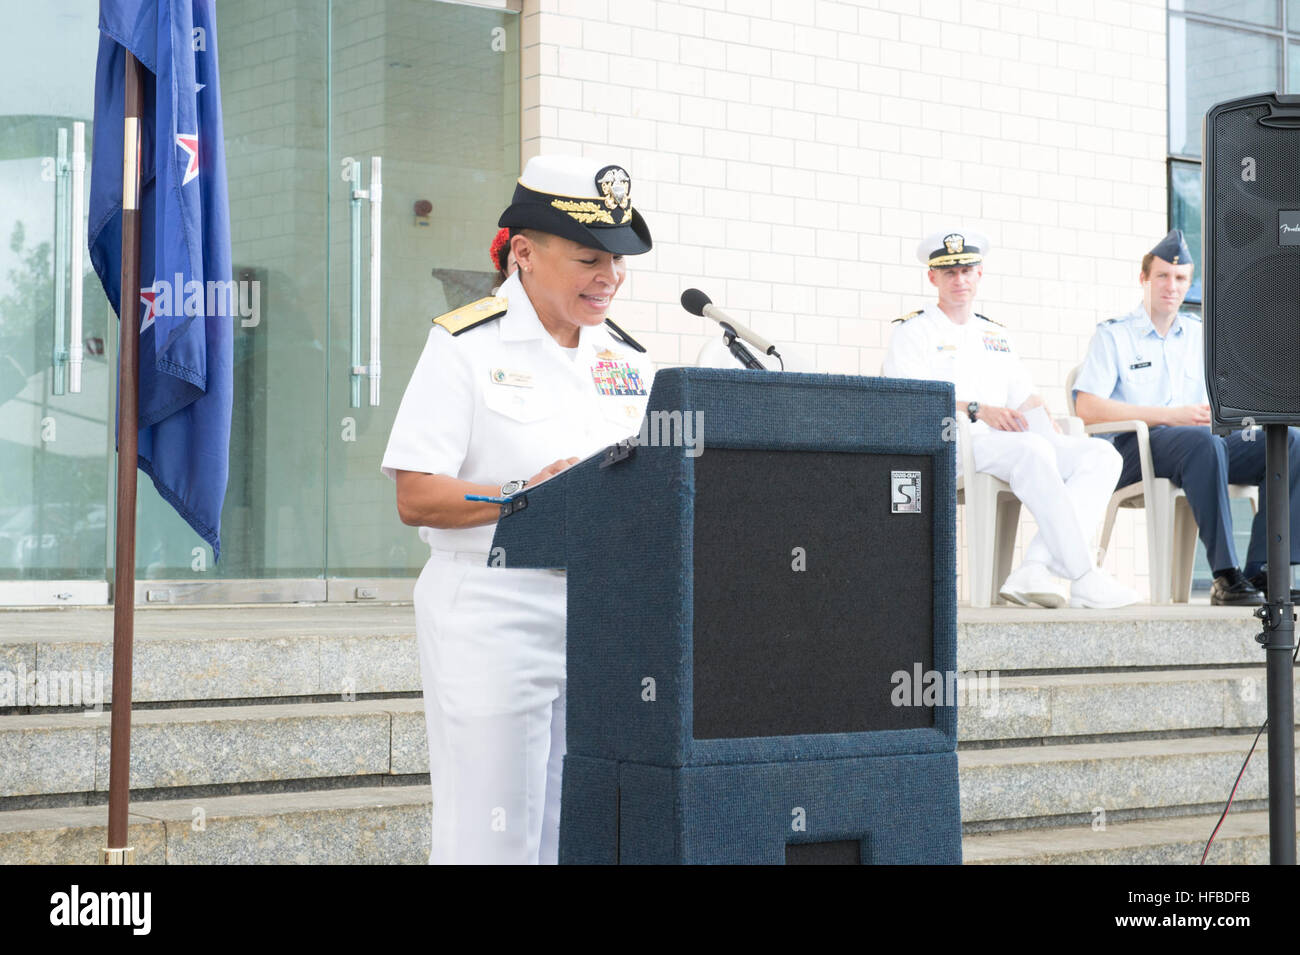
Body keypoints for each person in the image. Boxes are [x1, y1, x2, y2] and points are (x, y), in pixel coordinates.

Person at [381, 155, 656, 863]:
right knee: (493, 836)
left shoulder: (626, 358)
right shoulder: (465, 345)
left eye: (619, 261)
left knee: (575, 833)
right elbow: (416, 492)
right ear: (525, 254)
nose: (610, 277)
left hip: (600, 615)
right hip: (492, 610)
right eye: (590, 257)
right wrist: (525, 495)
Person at [883, 227, 1138, 609]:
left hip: (1010, 440)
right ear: (932, 276)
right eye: (950, 272)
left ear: (980, 274)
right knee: (1032, 449)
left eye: (967, 271)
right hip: (951, 443)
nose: (960, 280)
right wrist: (977, 409)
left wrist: (1049, 422)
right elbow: (907, 401)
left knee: (1101, 456)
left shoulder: (995, 334)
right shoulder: (914, 332)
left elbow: (1025, 396)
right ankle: (1084, 577)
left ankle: (1034, 568)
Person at [1073, 229, 1300, 606]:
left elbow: (1226, 396)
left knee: (1289, 441)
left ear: (1189, 283)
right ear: (1143, 279)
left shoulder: (1201, 336)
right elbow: (1087, 407)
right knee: (1202, 442)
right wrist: (1170, 415)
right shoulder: (1114, 336)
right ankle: (1225, 575)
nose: (1171, 286)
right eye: (1162, 276)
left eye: (1180, 278)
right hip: (1135, 450)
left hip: (1204, 445)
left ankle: (1266, 569)